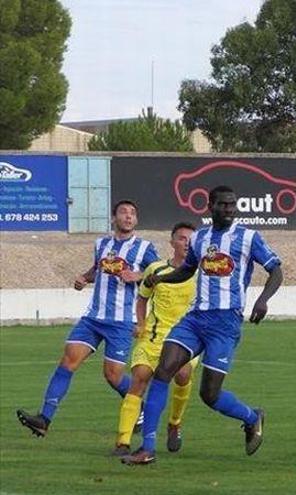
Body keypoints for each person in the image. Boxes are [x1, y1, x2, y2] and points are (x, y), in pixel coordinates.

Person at [121, 185, 283, 465]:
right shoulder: (200, 238)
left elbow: (276, 271)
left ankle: (251, 416)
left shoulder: (247, 237)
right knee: (163, 371)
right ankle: (147, 448)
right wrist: (161, 278)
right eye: (223, 205)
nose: (229, 209)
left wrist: (263, 300)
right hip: (195, 319)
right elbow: (187, 269)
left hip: (225, 322)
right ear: (210, 206)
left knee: (209, 394)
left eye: (233, 205)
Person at [17, 200, 159, 437]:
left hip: (121, 320)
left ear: (136, 220)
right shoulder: (101, 243)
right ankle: (44, 418)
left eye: (133, 213)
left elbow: (157, 273)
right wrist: (84, 278)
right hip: (93, 317)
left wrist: (138, 275)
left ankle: (139, 407)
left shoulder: (144, 247)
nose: (128, 216)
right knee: (68, 361)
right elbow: (98, 270)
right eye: (123, 212)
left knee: (113, 375)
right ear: (114, 218)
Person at [113, 222, 200, 457]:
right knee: (139, 378)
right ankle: (122, 442)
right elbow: (142, 299)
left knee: (183, 375)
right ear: (172, 243)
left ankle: (174, 423)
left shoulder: (202, 274)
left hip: (186, 338)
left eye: (190, 240)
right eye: (182, 238)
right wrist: (140, 323)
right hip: (153, 337)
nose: (186, 243)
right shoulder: (155, 269)